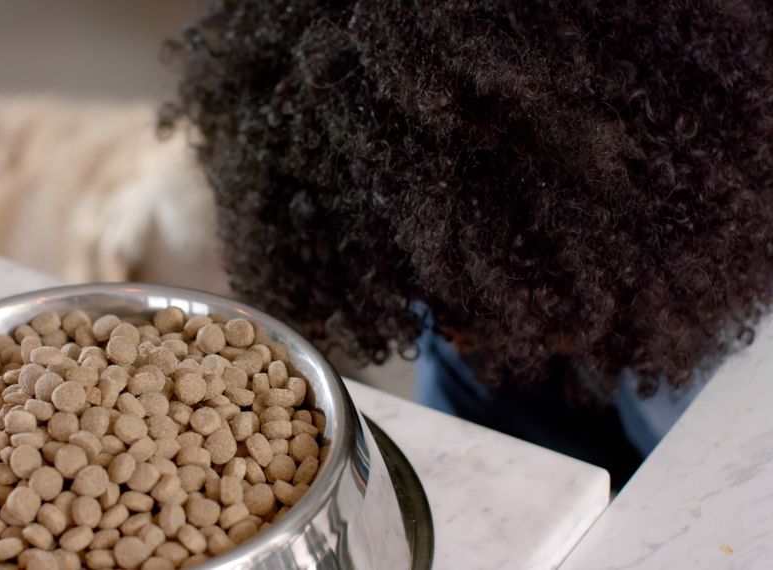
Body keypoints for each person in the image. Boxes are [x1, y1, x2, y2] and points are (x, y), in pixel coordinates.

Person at [163, 0, 773, 484]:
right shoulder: (459, 292)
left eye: (459, 298)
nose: (450, 329)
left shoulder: (723, 374)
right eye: (426, 284)